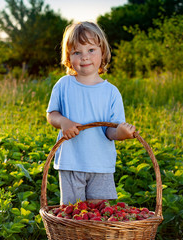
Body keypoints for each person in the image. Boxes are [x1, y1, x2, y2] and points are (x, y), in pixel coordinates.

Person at [46, 21, 136, 206]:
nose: (84, 57)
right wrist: (63, 122)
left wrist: (122, 133)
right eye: (77, 52)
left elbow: (110, 130)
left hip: (100, 164)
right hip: (71, 161)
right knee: (72, 213)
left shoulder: (111, 92)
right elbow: (51, 114)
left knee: (98, 212)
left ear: (102, 52)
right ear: (69, 57)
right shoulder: (63, 85)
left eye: (91, 50)